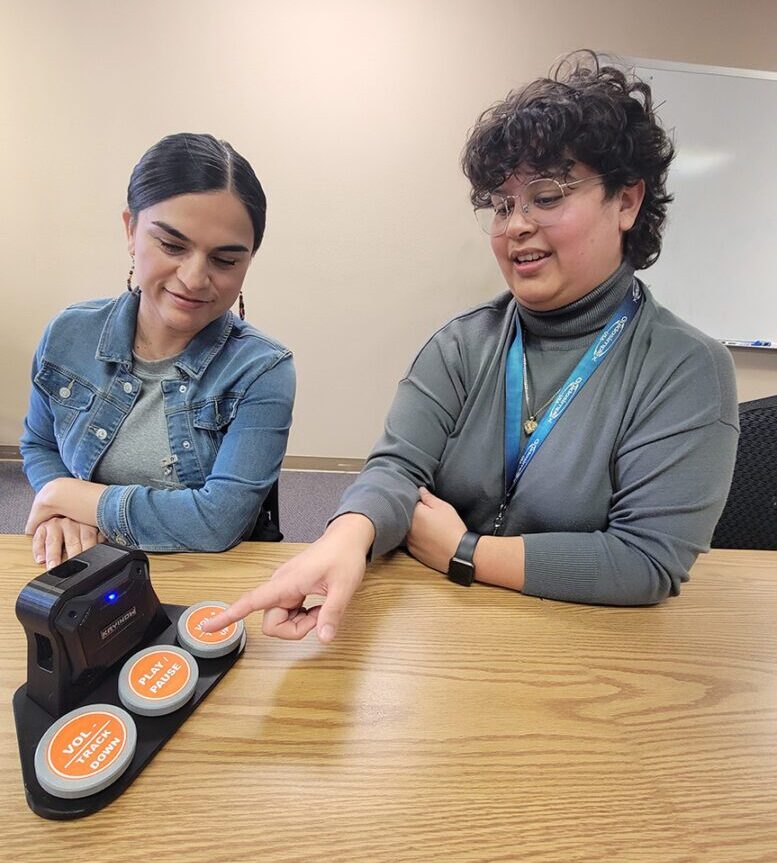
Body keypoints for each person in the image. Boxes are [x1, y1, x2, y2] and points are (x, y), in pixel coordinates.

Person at [205, 51, 738, 644]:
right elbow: (396, 469)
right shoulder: (463, 343)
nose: (515, 225)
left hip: (582, 650)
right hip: (440, 636)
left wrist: (464, 552)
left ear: (628, 202)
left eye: (548, 194)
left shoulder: (687, 368)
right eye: (504, 205)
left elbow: (645, 561)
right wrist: (345, 539)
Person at [21, 132, 295, 568]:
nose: (193, 277)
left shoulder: (262, 369)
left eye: (225, 260)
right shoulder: (68, 334)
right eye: (172, 245)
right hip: (83, 563)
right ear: (131, 230)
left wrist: (73, 498)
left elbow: (218, 520)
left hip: (203, 575)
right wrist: (63, 506)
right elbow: (39, 443)